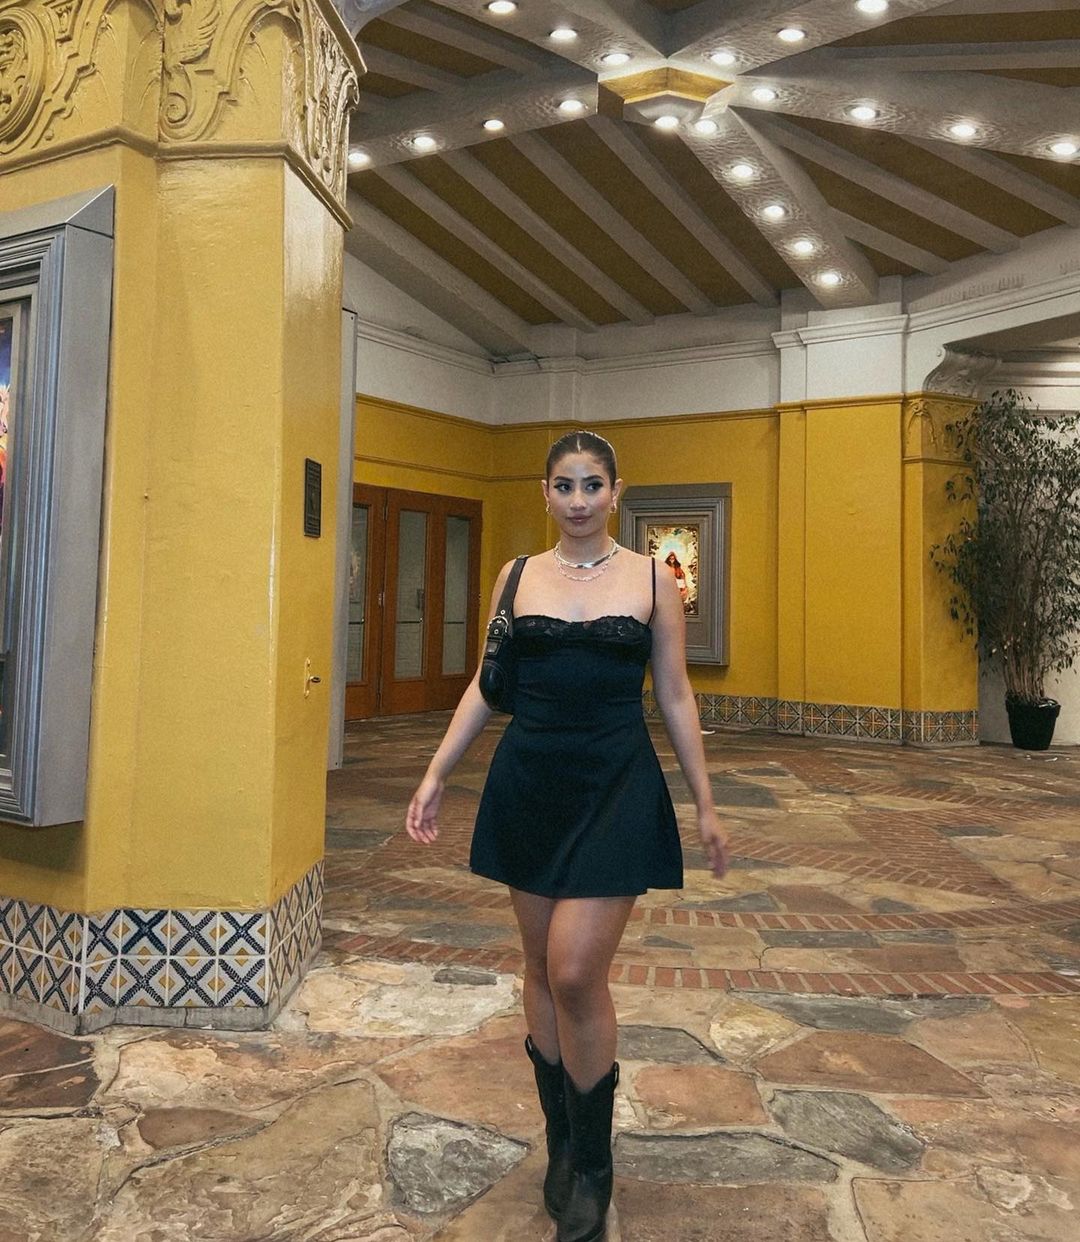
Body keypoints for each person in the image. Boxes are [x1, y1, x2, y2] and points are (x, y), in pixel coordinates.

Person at [405, 430, 730, 1242]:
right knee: (539, 968)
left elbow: (676, 695)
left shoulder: (653, 579)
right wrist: (437, 772)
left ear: (617, 492)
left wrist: (705, 801)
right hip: (531, 783)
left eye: (592, 484)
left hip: (616, 784)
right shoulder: (515, 577)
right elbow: (488, 685)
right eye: (564, 485)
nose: (578, 500)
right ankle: (561, 1146)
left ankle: (594, 1165)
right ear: (544, 493)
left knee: (577, 971)